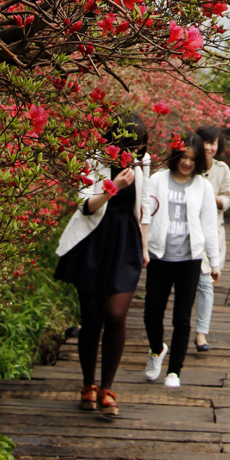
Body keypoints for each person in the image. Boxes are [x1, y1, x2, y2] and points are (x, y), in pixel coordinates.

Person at [55, 113, 150, 419]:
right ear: (114, 142)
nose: (134, 153)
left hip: (126, 242)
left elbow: (144, 209)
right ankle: (88, 385)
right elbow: (85, 205)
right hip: (94, 240)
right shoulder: (94, 160)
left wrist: (145, 248)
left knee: (116, 313)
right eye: (128, 146)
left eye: (138, 146)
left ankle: (108, 387)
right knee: (93, 318)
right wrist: (113, 186)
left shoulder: (142, 164)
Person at [143, 131, 220, 388]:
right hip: (159, 255)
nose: (187, 163)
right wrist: (143, 248)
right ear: (175, 155)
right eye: (183, 157)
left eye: (193, 159)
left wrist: (214, 262)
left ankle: (174, 370)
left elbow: (209, 226)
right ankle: (156, 350)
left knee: (182, 318)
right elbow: (146, 216)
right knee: (152, 313)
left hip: (190, 259)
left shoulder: (203, 187)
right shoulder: (157, 180)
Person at [194, 125, 230, 352]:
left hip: (212, 232)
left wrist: (211, 198)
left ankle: (202, 333)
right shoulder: (188, 163)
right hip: (188, 232)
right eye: (206, 142)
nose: (209, 147)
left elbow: (228, 198)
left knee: (206, 284)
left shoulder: (222, 169)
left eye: (213, 143)